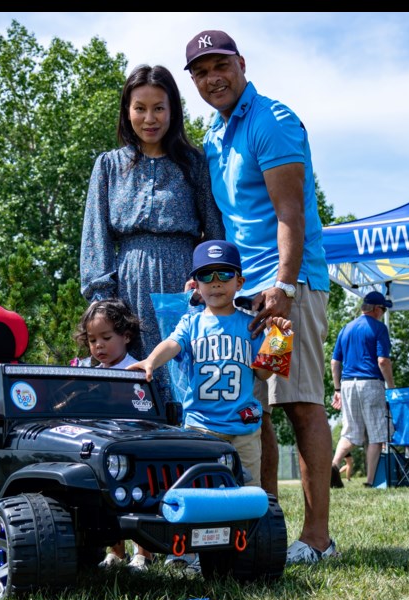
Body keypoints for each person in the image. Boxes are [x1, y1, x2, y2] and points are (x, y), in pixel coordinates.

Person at [184, 30, 336, 564]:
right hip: (244, 291)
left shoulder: (271, 121)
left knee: (299, 402)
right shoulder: (216, 132)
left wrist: (286, 288)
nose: (211, 78)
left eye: (219, 65)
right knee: (254, 409)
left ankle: (318, 538)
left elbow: (290, 214)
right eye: (200, 73)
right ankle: (264, 523)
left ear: (241, 64)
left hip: (286, 288)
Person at [129, 240, 291, 570]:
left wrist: (280, 339)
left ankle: (249, 550)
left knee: (248, 491)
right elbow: (172, 345)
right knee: (197, 492)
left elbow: (262, 373)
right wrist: (149, 362)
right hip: (200, 426)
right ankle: (186, 550)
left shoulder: (250, 324)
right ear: (196, 285)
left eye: (224, 274)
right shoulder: (191, 323)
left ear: (239, 282)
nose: (215, 281)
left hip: (244, 428)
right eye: (206, 275)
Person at [80, 63, 224, 404]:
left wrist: (210, 285)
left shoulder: (195, 164)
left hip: (183, 284)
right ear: (126, 112)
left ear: (173, 111)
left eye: (159, 108)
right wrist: (104, 303)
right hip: (127, 289)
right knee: (133, 388)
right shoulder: (109, 165)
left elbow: (215, 232)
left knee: (184, 379)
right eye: (140, 108)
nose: (150, 118)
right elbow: (95, 234)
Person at [70, 299, 154, 571]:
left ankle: (144, 553)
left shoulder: (136, 370)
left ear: (126, 336)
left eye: (106, 338)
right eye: (92, 340)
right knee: (106, 500)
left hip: (134, 449)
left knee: (142, 498)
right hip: (105, 452)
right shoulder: (92, 374)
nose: (99, 346)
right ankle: (115, 551)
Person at [330, 291, 395, 487]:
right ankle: (370, 481)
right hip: (371, 382)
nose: (383, 313)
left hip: (348, 383)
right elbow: (383, 361)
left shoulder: (346, 328)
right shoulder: (379, 328)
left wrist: (337, 389)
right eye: (383, 309)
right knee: (377, 434)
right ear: (376, 309)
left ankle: (332, 466)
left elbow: (334, 362)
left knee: (350, 433)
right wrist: (391, 387)